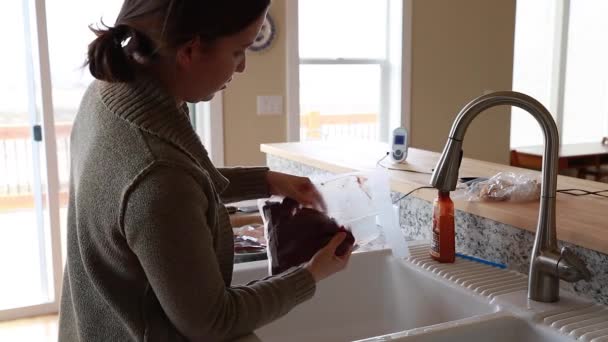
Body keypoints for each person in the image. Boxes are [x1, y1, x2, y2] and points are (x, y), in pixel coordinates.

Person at [58, 0, 353, 341]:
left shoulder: (110, 91)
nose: (241, 67)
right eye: (238, 51)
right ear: (190, 50)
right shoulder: (159, 176)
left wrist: (268, 180)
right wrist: (312, 273)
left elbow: (181, 178)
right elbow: (214, 322)